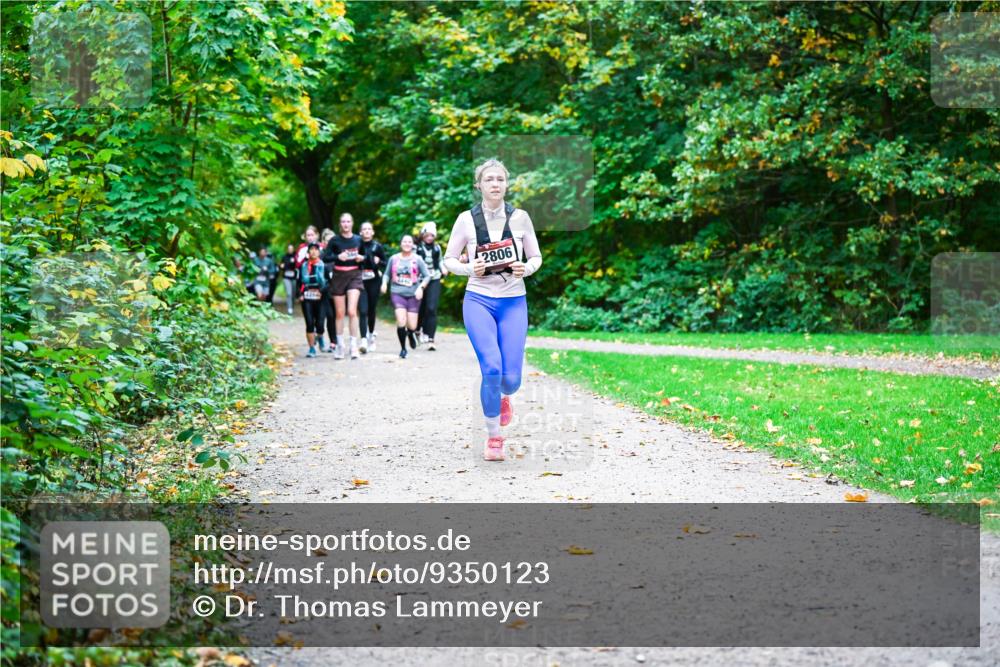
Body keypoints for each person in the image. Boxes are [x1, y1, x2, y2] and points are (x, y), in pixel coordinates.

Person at [443, 158, 542, 462]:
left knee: (511, 380)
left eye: (500, 179)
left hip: (513, 302)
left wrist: (525, 268)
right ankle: (493, 437)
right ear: (479, 185)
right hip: (479, 300)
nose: (495, 184)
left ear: (506, 184)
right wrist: (469, 268)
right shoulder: (466, 220)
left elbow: (536, 257)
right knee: (491, 368)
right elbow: (449, 259)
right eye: (489, 179)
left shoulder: (521, 218)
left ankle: (504, 396)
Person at [322, 213, 365, 360]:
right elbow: (325, 257)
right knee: (340, 313)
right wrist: (337, 257)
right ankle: (340, 346)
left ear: (352, 223)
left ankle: (353, 346)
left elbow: (366, 257)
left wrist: (362, 258)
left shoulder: (358, 240)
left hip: (354, 275)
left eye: (348, 221)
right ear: (340, 224)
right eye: (343, 222)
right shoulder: (334, 240)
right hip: (338, 276)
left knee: (352, 311)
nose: (346, 224)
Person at [381, 235, 430, 359]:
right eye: (404, 241)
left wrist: (421, 287)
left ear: (413, 244)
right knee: (401, 321)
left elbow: (427, 276)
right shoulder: (394, 258)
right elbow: (386, 274)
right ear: (401, 243)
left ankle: (411, 333)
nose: (407, 244)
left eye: (409, 242)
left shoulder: (418, 259)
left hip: (413, 294)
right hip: (397, 293)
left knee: (412, 325)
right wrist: (384, 283)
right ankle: (403, 349)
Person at [414, 222, 448, 351]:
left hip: (434, 279)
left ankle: (431, 339)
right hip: (420, 280)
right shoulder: (417, 248)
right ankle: (417, 330)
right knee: (421, 308)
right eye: (427, 235)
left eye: (432, 235)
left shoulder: (437, 248)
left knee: (431, 308)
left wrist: (443, 268)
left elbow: (440, 261)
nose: (429, 238)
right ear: (423, 235)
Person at [296, 226, 328, 351]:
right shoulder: (303, 266)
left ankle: (320, 336)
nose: (313, 252)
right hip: (307, 296)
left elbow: (329, 282)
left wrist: (321, 291)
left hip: (321, 296)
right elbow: (299, 281)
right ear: (308, 252)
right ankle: (311, 348)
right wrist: (300, 294)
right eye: (311, 250)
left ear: (319, 252)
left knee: (320, 324)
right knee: (309, 322)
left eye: (316, 250)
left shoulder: (324, 266)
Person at [358, 221, 387, 353]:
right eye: (364, 229)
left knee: (371, 310)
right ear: (360, 232)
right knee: (363, 311)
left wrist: (379, 261)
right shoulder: (357, 245)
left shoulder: (377, 246)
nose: (367, 231)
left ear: (373, 232)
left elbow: (386, 263)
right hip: (360, 281)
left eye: (369, 229)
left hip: (374, 281)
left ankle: (371, 335)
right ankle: (363, 340)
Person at [279, 244, 297, 315]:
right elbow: (281, 266)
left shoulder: (296, 256)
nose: (290, 250)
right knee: (289, 293)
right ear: (287, 249)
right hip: (286, 277)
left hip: (293, 278)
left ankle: (292, 306)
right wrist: (281, 266)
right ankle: (289, 308)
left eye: (291, 248)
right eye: (289, 249)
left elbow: (298, 265)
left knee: (293, 294)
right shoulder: (284, 257)